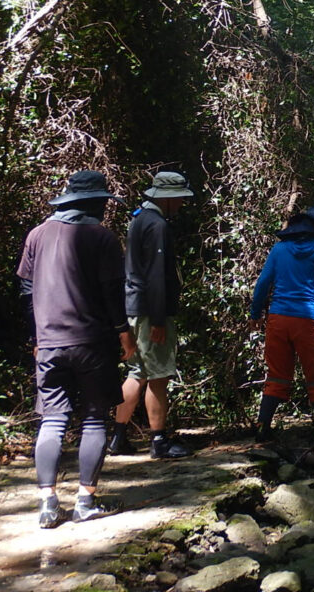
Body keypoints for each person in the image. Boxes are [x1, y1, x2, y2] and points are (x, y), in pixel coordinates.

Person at [17, 170, 137, 528]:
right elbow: (113, 291)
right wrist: (124, 332)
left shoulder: (37, 235)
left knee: (53, 419)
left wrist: (37, 337)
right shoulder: (102, 237)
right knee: (95, 417)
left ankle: (48, 505)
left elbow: (26, 291)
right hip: (92, 342)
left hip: (50, 344)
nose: (105, 209)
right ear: (93, 203)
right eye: (102, 202)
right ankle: (85, 500)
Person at [108, 171, 194, 459]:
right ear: (166, 198)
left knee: (137, 372)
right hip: (149, 311)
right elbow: (156, 275)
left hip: (134, 307)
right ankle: (159, 441)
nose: (181, 203)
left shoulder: (138, 219)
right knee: (158, 375)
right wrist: (159, 319)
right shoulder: (157, 225)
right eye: (179, 198)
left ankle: (118, 438)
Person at [250, 206, 314, 443]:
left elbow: (263, 282)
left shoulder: (279, 249)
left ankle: (262, 429)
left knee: (277, 376)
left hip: (278, 319)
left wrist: (255, 314)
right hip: (309, 321)